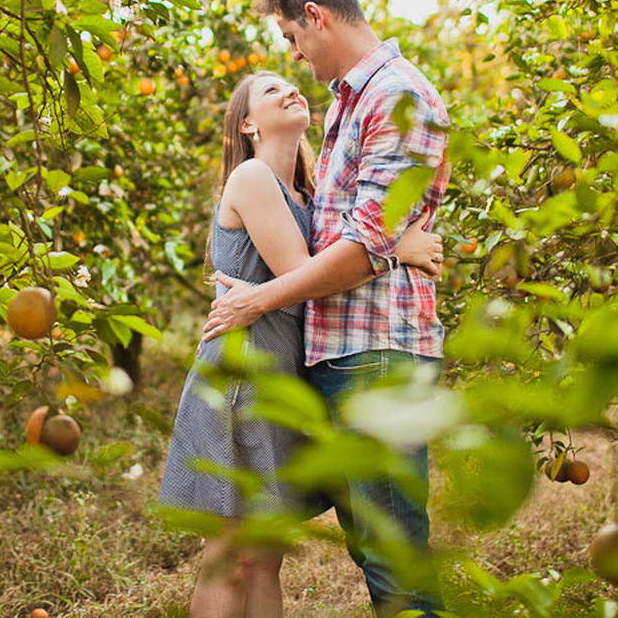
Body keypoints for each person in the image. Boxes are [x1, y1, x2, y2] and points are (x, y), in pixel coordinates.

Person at [201, 0, 452, 617]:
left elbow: (357, 248)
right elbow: (349, 230)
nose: (295, 58)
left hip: (375, 352)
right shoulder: (352, 99)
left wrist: (258, 297)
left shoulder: (397, 97)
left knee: (393, 551)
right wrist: (394, 242)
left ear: (314, 17)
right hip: (341, 354)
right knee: (375, 545)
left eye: (290, 38)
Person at [158, 69, 443, 618]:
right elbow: (307, 273)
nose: (289, 89)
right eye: (269, 90)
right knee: (233, 552)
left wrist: (378, 244)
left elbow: (324, 267)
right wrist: (397, 247)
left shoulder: (304, 195)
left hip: (282, 378)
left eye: (291, 83)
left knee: (266, 555)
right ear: (247, 123)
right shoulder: (252, 176)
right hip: (244, 376)